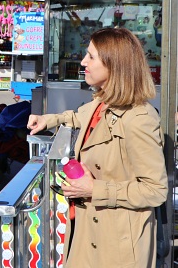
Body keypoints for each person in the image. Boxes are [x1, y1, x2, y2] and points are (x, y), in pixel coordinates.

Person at [27, 27, 167, 268]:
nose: (83, 62)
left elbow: (155, 190)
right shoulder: (101, 102)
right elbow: (77, 116)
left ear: (114, 64)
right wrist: (48, 120)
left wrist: (94, 189)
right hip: (89, 234)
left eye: (91, 57)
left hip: (119, 247)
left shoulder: (139, 118)